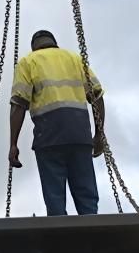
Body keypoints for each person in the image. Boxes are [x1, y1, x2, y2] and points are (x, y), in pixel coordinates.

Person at [8, 29, 105, 216]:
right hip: (79, 136)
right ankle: (93, 237)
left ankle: (60, 240)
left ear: (34, 47)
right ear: (54, 43)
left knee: (55, 200)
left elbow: (18, 105)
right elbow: (97, 96)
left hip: (49, 137)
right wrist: (99, 134)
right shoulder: (74, 59)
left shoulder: (29, 62)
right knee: (87, 198)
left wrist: (13, 144)